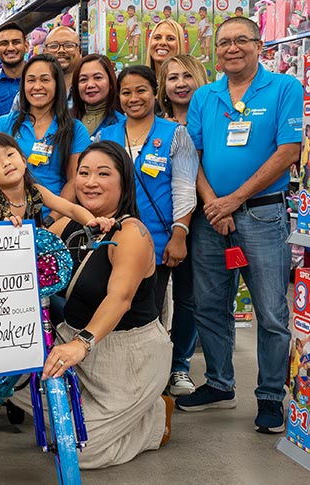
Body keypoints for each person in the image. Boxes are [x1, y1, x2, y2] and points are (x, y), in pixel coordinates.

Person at [175, 17, 302, 435]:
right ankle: (219, 383)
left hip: (263, 215)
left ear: (259, 45)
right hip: (212, 217)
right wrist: (214, 203)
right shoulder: (205, 96)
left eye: (240, 40)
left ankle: (269, 397)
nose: (232, 48)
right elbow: (191, 154)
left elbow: (288, 151)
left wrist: (235, 199)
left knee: (270, 311)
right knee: (209, 306)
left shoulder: (283, 88)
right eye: (224, 42)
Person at [31, 140, 173, 468]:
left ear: (124, 181)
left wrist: (82, 344)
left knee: (77, 450)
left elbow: (119, 299)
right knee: (15, 388)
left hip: (125, 356)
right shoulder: (70, 222)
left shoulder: (131, 233)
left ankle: (153, 420)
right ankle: (92, 408)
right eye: (83, 173)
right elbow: (29, 255)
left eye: (103, 174)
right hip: (70, 342)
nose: (90, 181)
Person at [96, 65, 198, 319]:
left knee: (149, 315)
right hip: (110, 241)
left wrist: (180, 235)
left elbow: (185, 189)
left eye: (141, 90)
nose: (133, 99)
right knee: (113, 312)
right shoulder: (104, 136)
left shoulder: (176, 134)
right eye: (126, 93)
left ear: (155, 92)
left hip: (157, 242)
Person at [157, 54, 209, 397]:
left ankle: (180, 366)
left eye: (187, 76)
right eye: (172, 77)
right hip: (162, 221)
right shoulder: (155, 123)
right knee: (156, 297)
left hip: (204, 218)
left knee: (190, 297)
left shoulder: (211, 119)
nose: (179, 83)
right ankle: (156, 366)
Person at [0, 54, 91, 219]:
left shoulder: (75, 129)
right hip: (9, 220)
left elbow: (74, 180)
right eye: (31, 80)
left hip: (57, 218)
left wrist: (52, 219)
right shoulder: (3, 125)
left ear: (58, 85)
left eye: (45, 80)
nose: (37, 86)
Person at [0, 132, 114, 231]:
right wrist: (1, 229)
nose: (6, 163)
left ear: (23, 160)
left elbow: (71, 209)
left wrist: (92, 222)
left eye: (10, 154)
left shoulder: (35, 191)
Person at [70, 54, 125, 138]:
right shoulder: (64, 121)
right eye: (83, 79)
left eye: (98, 77)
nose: (90, 85)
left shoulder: (121, 124)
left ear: (110, 82)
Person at [0, 22, 28, 116]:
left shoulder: (39, 83)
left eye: (16, 42)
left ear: (26, 46)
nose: (10, 48)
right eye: (4, 43)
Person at [42, 26, 82, 103]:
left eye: (69, 45)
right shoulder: (34, 90)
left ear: (80, 51)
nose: (61, 50)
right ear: (44, 52)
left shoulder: (90, 87)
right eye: (53, 46)